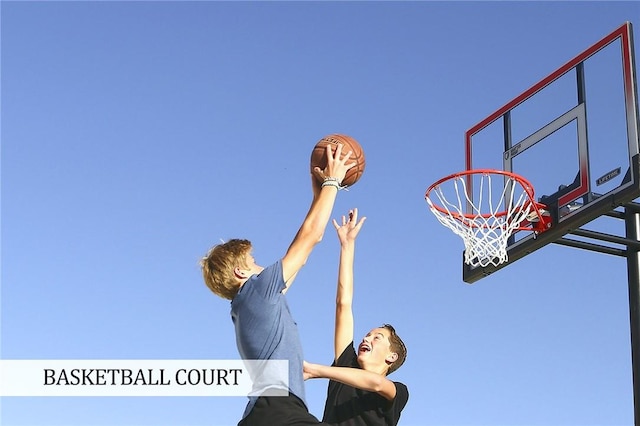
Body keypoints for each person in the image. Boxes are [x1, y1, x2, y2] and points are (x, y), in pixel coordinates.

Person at [200, 142, 353, 426]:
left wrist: (317, 191)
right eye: (253, 259)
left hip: (265, 414)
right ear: (239, 272)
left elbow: (303, 255)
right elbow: (310, 238)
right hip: (278, 412)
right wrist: (332, 181)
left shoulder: (251, 304)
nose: (261, 264)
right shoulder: (257, 290)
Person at [303, 208, 409, 426]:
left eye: (377, 337)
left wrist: (318, 370)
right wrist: (347, 245)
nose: (366, 338)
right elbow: (343, 304)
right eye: (367, 335)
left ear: (391, 357)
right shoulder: (345, 365)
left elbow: (377, 384)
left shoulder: (398, 392)